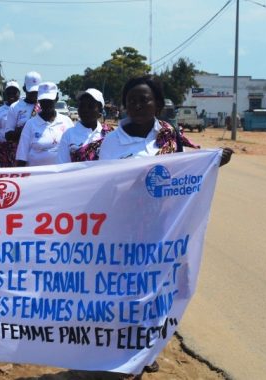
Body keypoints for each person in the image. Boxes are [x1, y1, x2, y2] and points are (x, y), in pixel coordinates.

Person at [99, 75, 231, 379]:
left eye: (145, 99)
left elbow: (185, 170)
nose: (138, 104)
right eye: (132, 99)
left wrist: (213, 161)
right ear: (124, 104)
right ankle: (125, 349)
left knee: (158, 290)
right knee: (128, 291)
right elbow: (105, 182)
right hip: (126, 229)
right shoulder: (111, 141)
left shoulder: (170, 134)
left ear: (158, 103)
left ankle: (147, 349)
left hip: (164, 228)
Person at [15, 82, 74, 166]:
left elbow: (75, 151)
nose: (46, 104)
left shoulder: (66, 121)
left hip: (62, 176)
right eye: (43, 101)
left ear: (56, 98)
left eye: (50, 100)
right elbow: (21, 157)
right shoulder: (30, 124)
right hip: (36, 177)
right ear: (39, 100)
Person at [57, 88, 112, 163]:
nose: (85, 110)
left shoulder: (109, 134)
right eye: (82, 105)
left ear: (100, 110)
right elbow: (62, 166)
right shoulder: (68, 135)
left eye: (90, 106)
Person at [3, 71, 42, 165]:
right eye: (31, 91)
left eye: (36, 92)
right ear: (24, 88)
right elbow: (8, 135)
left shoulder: (44, 106)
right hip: (21, 154)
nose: (34, 94)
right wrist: (27, 130)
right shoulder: (15, 107)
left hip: (39, 155)